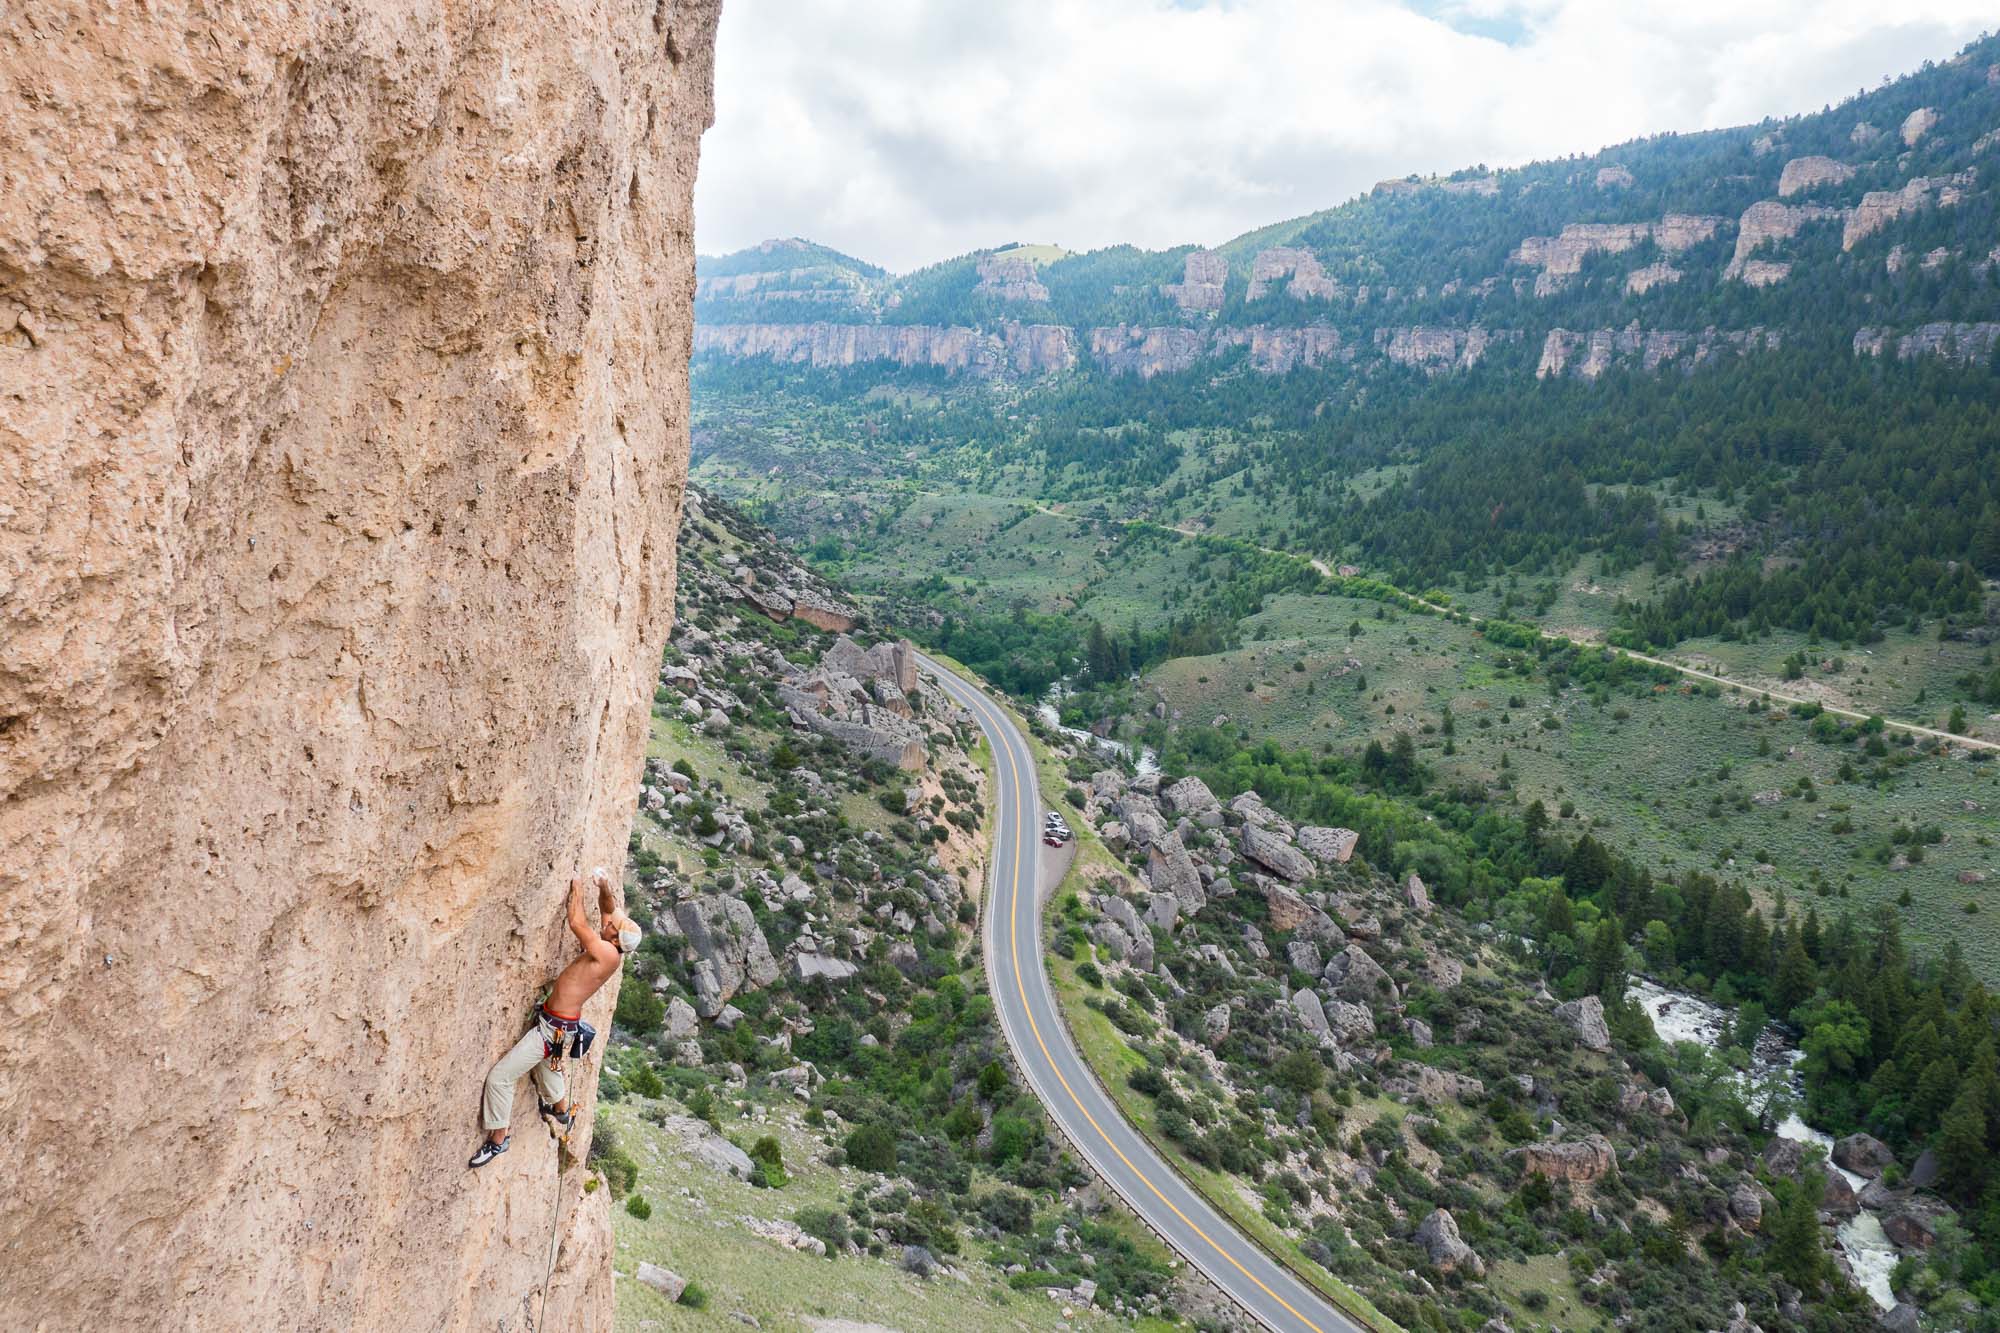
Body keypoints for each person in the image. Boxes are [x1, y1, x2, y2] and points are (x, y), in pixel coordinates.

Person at [468, 868, 640, 1168]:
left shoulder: (606, 954)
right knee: (548, 1071)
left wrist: (575, 886)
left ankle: (499, 1139)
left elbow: (576, 921)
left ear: (615, 937)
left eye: (613, 925)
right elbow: (609, 909)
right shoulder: (611, 945)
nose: (610, 921)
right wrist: (603, 885)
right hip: (560, 1030)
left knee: (501, 1077)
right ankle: (561, 1110)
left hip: (551, 1033)